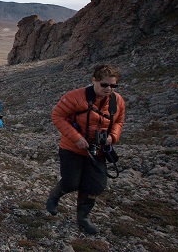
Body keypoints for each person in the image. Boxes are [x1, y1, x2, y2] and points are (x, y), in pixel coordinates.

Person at [46, 64, 125, 234]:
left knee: (95, 185)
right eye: (104, 85)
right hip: (72, 148)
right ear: (94, 81)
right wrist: (77, 138)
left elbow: (119, 121)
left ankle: (83, 218)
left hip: (99, 150)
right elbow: (57, 116)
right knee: (71, 182)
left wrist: (112, 137)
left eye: (113, 85)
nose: (109, 89)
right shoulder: (74, 97)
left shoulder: (117, 101)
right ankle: (54, 196)